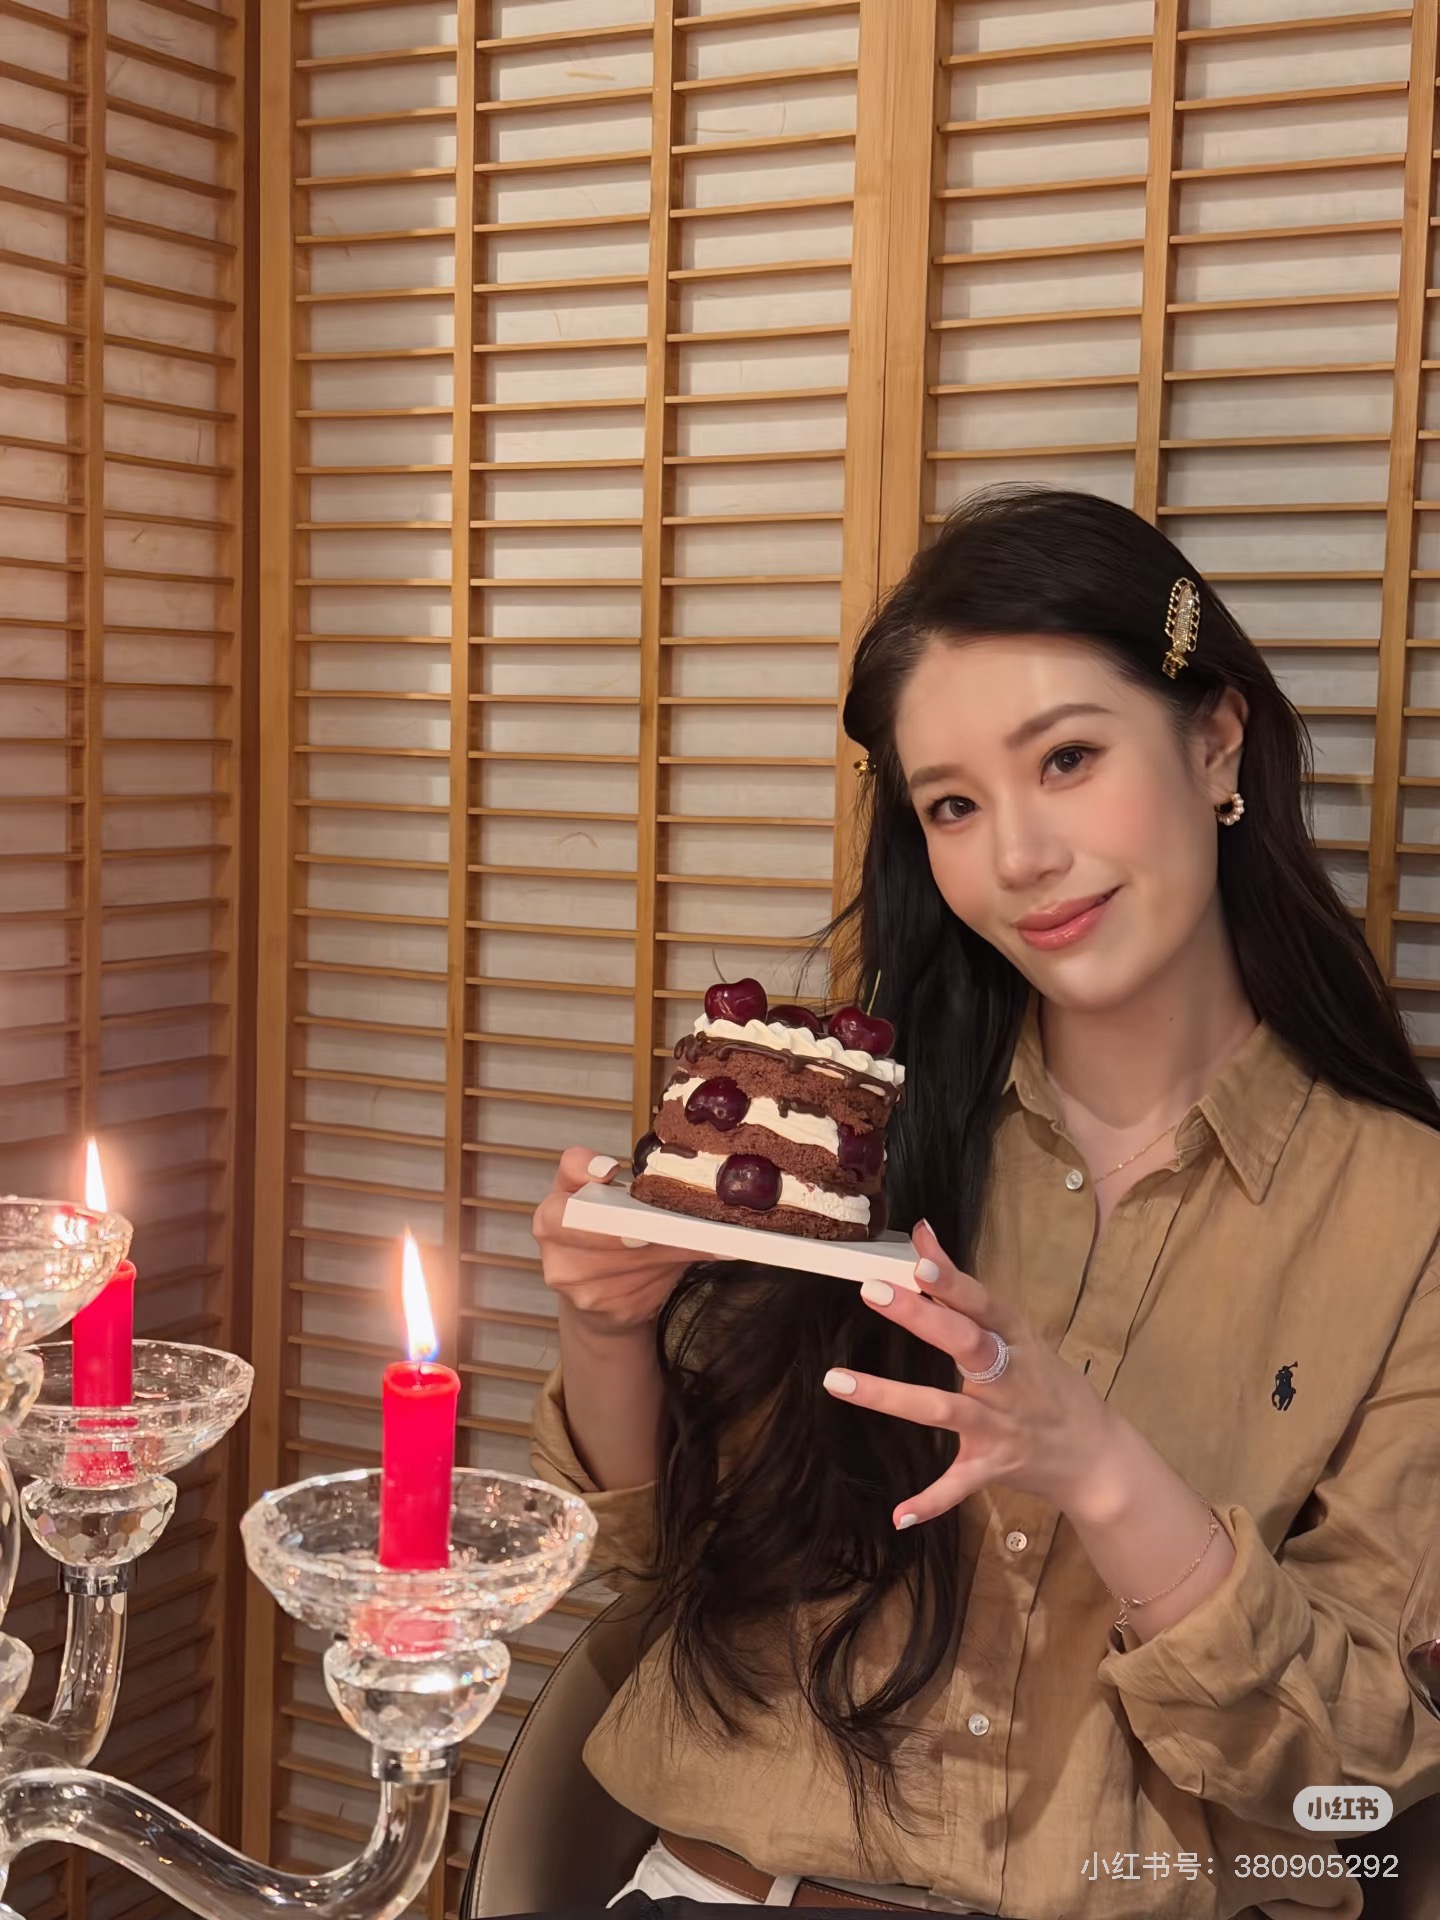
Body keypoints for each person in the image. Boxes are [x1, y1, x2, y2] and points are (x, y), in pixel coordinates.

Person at [528, 487, 1440, 1920]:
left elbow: (1359, 1772)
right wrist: (604, 1327)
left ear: (1215, 741)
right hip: (727, 1888)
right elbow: (656, 1554)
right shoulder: (848, 1140)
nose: (1017, 858)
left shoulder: (1408, 1213)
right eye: (953, 804)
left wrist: (1102, 1469)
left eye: (1068, 758)